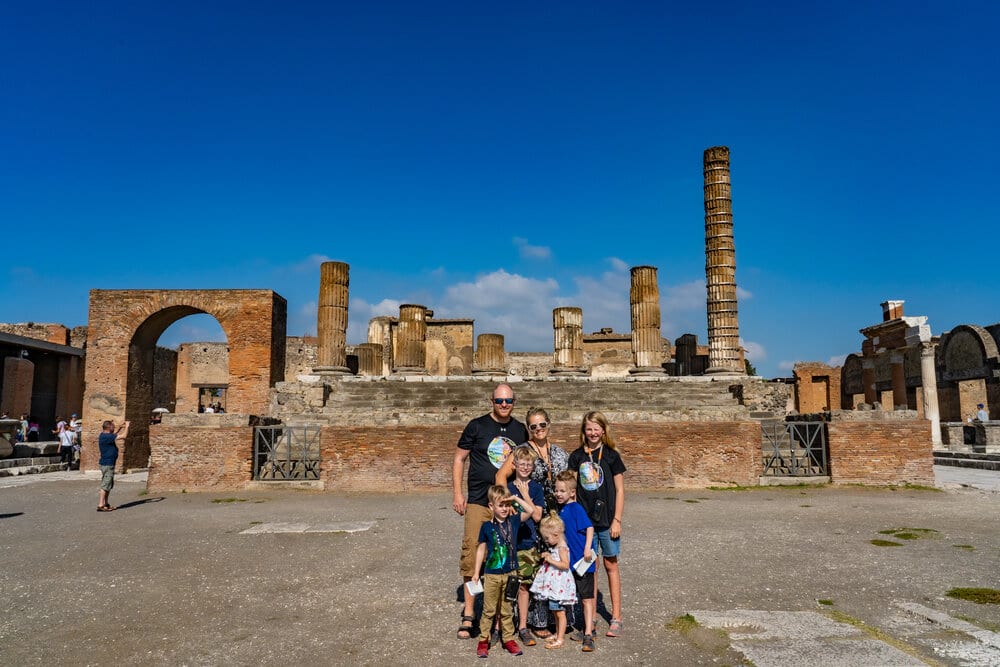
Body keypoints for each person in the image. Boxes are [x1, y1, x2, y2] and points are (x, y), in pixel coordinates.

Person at [452, 383, 529, 640]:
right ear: (491, 401)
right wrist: (457, 493)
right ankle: (469, 613)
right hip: (477, 500)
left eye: (509, 401)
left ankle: (500, 616)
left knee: (504, 555)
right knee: (473, 553)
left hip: (505, 502)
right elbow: (459, 458)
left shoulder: (520, 430)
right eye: (499, 401)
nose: (504, 405)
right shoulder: (476, 425)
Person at [568, 411, 627, 640]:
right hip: (585, 523)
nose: (592, 433)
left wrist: (617, 520)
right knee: (590, 570)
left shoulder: (611, 456)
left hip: (607, 522)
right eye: (588, 429)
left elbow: (620, 490)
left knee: (611, 565)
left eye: (596, 429)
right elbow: (572, 490)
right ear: (584, 431)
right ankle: (589, 619)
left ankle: (616, 616)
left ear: (603, 430)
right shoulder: (576, 457)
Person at [470, 485, 537, 658]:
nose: (505, 509)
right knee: (489, 610)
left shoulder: (513, 522)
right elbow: (480, 549)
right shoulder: (486, 527)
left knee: (507, 609)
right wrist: (477, 572)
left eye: (507, 505)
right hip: (492, 574)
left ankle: (508, 639)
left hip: (511, 575)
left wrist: (514, 499)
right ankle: (484, 640)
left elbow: (531, 510)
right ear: (491, 506)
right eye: (501, 505)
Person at [505, 446, 545, 647]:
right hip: (508, 542)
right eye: (522, 463)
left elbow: (537, 516)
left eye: (529, 463)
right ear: (514, 465)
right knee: (504, 586)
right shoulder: (506, 487)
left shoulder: (536, 488)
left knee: (523, 586)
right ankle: (501, 627)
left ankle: (522, 627)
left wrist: (524, 494)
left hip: (527, 543)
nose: (525, 466)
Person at [553, 469, 596, 651]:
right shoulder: (559, 510)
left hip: (582, 562)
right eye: (556, 490)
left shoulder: (576, 508)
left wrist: (588, 548)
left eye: (562, 491)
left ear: (572, 492)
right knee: (565, 598)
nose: (558, 494)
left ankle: (588, 634)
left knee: (586, 598)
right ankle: (560, 632)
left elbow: (590, 528)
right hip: (567, 563)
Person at [529, 514, 577, 649]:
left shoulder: (561, 547)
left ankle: (560, 638)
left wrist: (550, 560)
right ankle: (557, 633)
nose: (546, 541)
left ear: (556, 534)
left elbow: (565, 565)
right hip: (555, 585)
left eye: (547, 538)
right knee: (555, 611)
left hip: (559, 585)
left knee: (560, 612)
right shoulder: (557, 546)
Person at [97, 419, 129, 511]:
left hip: (108, 463)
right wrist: (127, 426)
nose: (114, 427)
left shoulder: (105, 435)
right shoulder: (106, 437)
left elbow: (114, 434)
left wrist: (119, 427)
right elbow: (124, 436)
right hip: (107, 464)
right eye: (113, 426)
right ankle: (101, 505)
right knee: (105, 485)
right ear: (109, 427)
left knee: (108, 485)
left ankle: (106, 503)